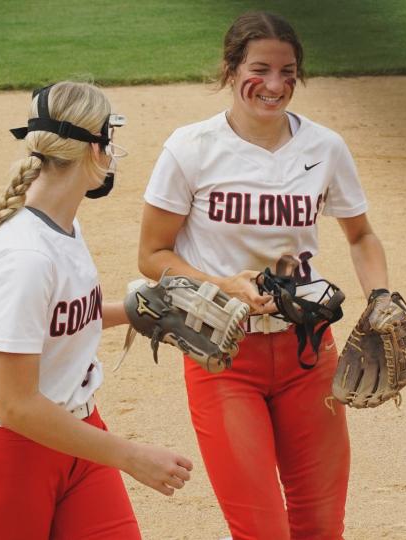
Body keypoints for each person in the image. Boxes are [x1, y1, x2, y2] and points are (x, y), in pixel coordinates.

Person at [137, 12, 390, 540]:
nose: (274, 85)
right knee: (261, 529)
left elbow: (361, 235)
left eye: (288, 71)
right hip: (223, 357)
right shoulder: (190, 148)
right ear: (231, 69)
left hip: (308, 352)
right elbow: (153, 254)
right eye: (260, 68)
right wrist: (223, 284)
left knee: (322, 525)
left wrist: (382, 297)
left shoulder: (324, 148)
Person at [0, 81, 193, 540]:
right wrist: (130, 455)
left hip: (78, 439)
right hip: (8, 459)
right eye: (110, 138)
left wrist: (137, 312)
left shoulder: (64, 225)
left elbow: (61, 319)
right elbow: (16, 405)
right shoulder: (24, 255)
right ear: (95, 148)